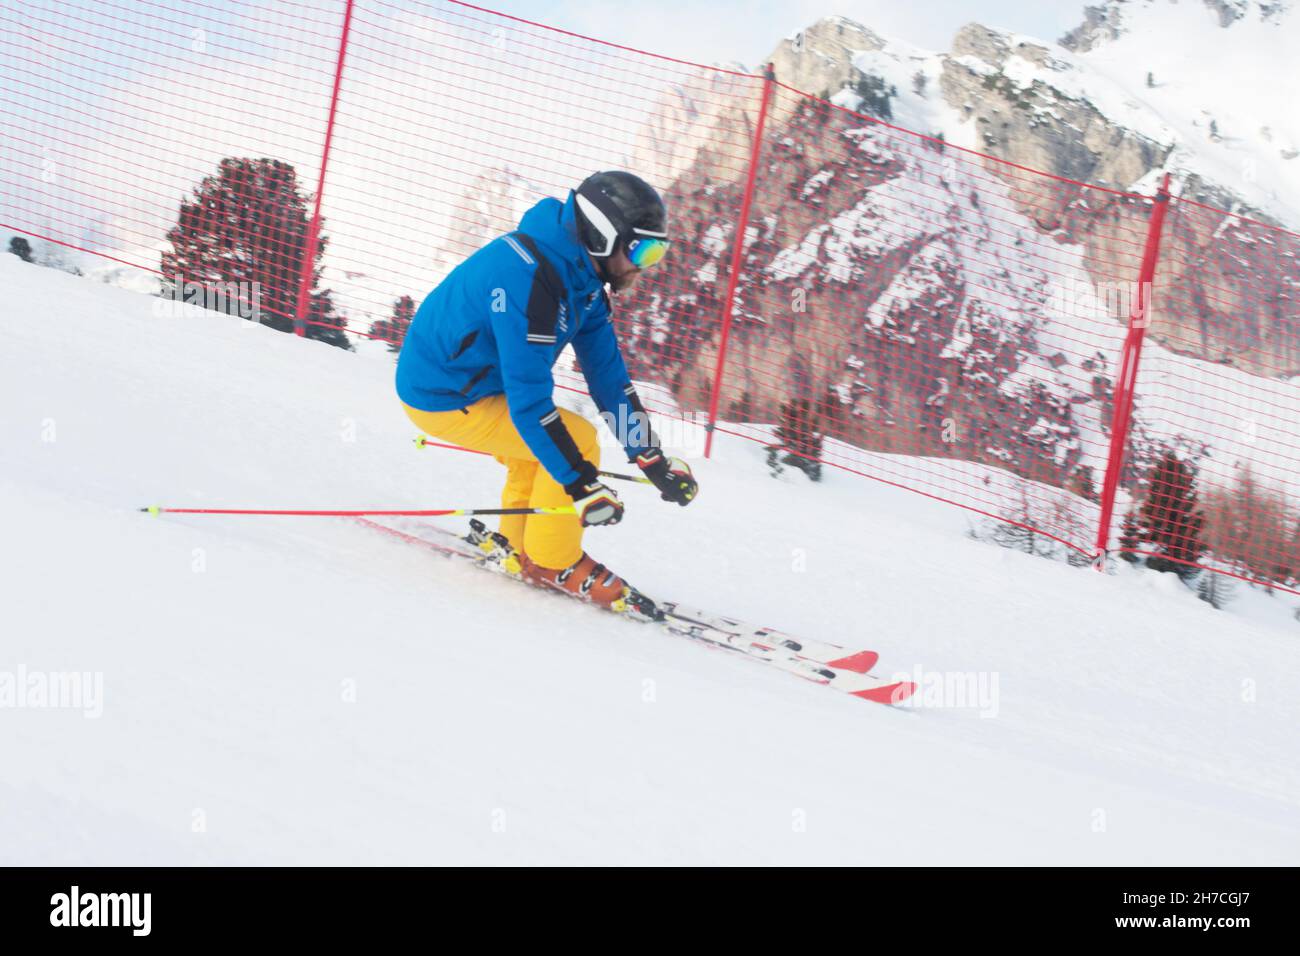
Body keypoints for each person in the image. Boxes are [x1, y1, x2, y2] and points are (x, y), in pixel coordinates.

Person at [396, 171, 698, 611]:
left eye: (657, 251)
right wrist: (580, 484)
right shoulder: (530, 282)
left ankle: (518, 544)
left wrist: (651, 457)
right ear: (601, 236)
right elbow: (529, 401)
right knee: (574, 439)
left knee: (538, 451)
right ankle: (554, 560)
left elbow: (608, 379)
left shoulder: (583, 282)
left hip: (477, 384)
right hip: (443, 396)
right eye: (642, 250)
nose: (645, 265)